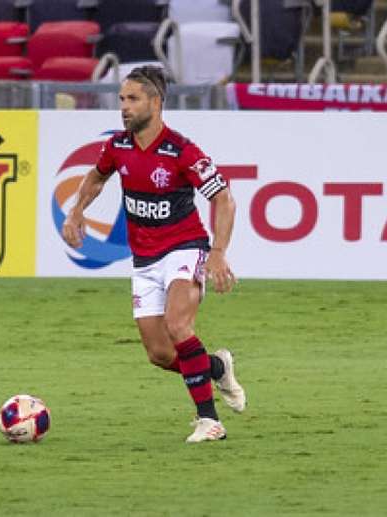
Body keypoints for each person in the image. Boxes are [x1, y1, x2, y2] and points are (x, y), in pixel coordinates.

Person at [61, 65, 246, 443]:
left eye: (132, 99)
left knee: (179, 328)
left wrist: (218, 252)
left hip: (185, 247)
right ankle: (215, 366)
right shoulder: (117, 146)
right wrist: (78, 210)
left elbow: (224, 199)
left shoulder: (182, 150)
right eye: (121, 100)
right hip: (144, 260)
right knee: (160, 353)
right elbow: (96, 177)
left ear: (156, 102)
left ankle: (209, 421)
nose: (124, 108)